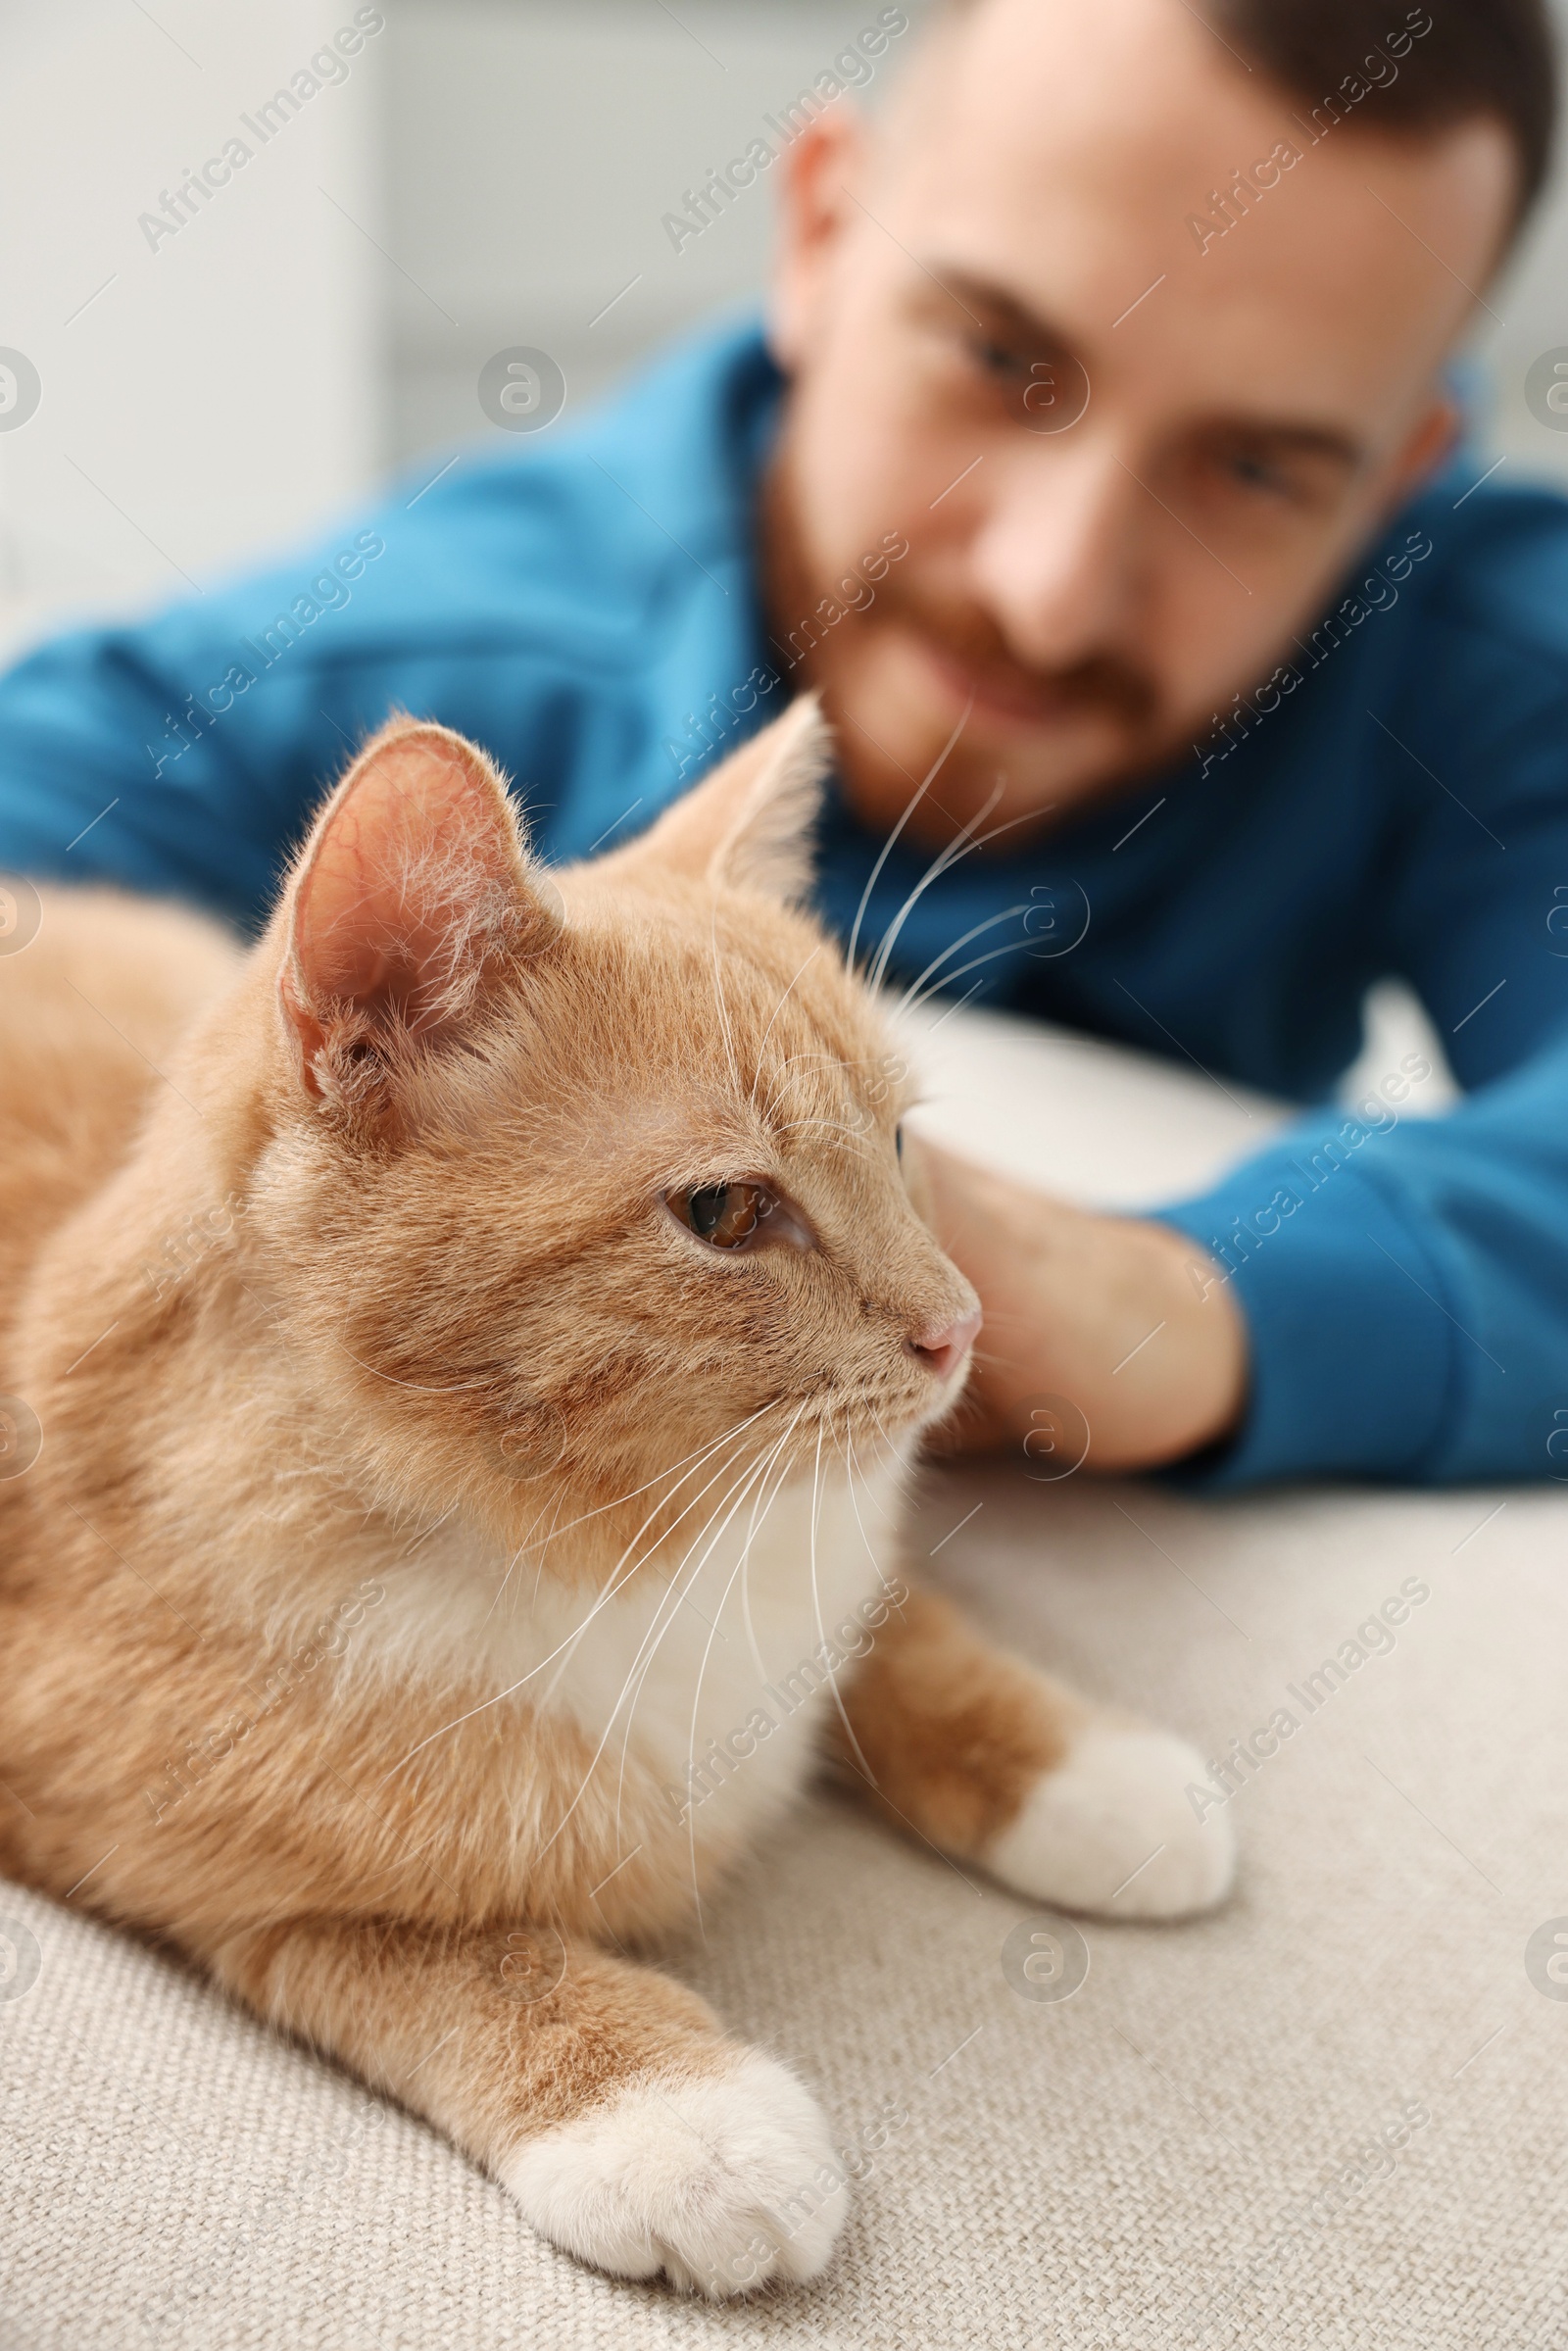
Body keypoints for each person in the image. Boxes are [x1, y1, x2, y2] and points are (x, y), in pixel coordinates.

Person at [0, 0, 1562, 1489]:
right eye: (1004, 364)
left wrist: (1196, 1309)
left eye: (1252, 470)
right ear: (820, 230)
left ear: (1400, 477)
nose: (1051, 590)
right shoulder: (442, 640)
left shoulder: (1475, 645)